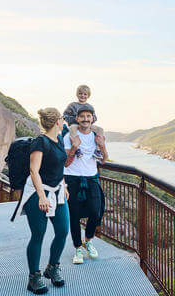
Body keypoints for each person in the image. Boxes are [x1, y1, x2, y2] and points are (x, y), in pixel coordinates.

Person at [14, 108, 69, 294]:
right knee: (38, 234)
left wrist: (65, 185)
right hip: (38, 192)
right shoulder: (40, 142)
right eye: (62, 118)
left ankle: (52, 267)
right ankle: (34, 277)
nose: (64, 120)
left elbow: (59, 166)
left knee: (62, 231)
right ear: (56, 122)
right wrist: (42, 196)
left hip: (57, 190)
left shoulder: (59, 138)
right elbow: (34, 170)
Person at [63, 105, 108, 264]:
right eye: (82, 116)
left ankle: (87, 240)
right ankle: (77, 249)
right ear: (77, 118)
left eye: (88, 116)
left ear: (92, 118)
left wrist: (101, 145)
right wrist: (75, 147)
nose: (85, 119)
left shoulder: (98, 136)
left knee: (96, 212)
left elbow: (103, 160)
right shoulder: (69, 136)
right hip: (72, 179)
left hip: (91, 178)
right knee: (74, 216)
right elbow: (66, 163)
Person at [63, 84, 108, 161]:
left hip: (87, 125)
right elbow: (65, 115)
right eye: (80, 93)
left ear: (88, 96)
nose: (82, 96)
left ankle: (97, 150)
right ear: (77, 94)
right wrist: (76, 119)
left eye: (85, 94)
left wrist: (87, 121)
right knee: (72, 128)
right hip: (75, 124)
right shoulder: (72, 105)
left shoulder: (90, 107)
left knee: (100, 129)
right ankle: (77, 149)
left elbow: (94, 117)